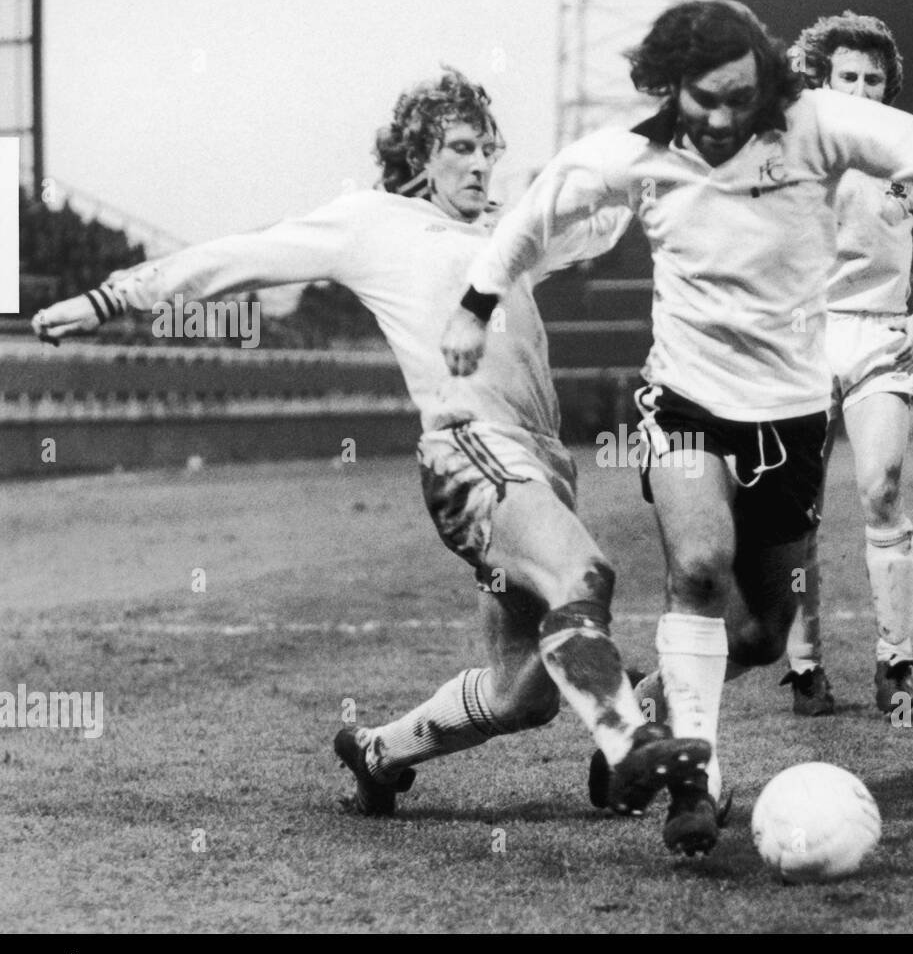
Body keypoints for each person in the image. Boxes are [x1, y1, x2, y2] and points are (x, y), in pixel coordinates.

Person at [440, 0, 913, 856]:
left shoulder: (814, 125)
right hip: (685, 401)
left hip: (792, 417)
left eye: (740, 95)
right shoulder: (634, 151)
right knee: (696, 566)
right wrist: (473, 305)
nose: (725, 116)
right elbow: (532, 214)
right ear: (671, 89)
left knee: (762, 634)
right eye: (705, 99)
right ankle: (696, 782)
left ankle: (651, 705)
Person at [31, 68, 712, 828]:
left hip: (540, 465)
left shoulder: (499, 238)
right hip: (471, 454)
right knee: (585, 571)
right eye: (463, 147)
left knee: (522, 695)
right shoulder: (372, 221)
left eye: (491, 149)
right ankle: (632, 746)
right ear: (421, 154)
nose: (483, 164)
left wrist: (671, 139)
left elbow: (594, 215)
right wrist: (116, 294)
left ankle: (378, 753)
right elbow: (240, 255)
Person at [779, 12, 913, 718]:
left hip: (883, 335)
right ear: (823, 80)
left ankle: (895, 661)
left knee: (882, 488)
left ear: (889, 87)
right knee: (798, 511)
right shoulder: (792, 144)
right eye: (847, 76)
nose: (860, 88)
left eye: (873, 78)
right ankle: (804, 667)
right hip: (801, 341)